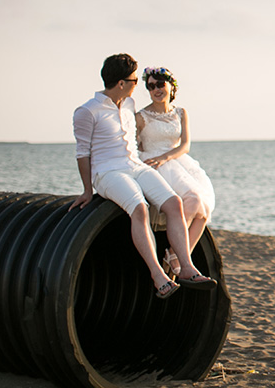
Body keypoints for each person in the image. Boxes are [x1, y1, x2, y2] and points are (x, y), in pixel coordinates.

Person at [69, 53, 217, 299]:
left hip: (135, 165)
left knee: (174, 203)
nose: (139, 85)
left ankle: (186, 268)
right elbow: (82, 154)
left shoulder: (128, 105)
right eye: (135, 80)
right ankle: (158, 276)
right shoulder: (87, 111)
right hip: (108, 172)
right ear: (121, 83)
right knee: (139, 208)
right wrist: (87, 190)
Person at [136, 66, 216, 277]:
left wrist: (167, 157)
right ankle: (176, 260)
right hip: (153, 163)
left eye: (160, 84)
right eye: (151, 86)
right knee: (194, 200)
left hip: (176, 160)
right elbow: (134, 147)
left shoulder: (181, 112)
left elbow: (185, 145)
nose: (156, 90)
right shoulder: (141, 116)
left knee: (204, 208)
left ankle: (175, 256)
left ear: (171, 86)